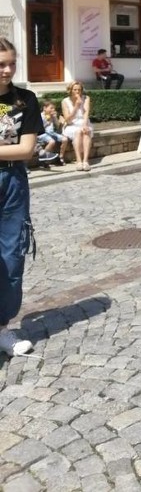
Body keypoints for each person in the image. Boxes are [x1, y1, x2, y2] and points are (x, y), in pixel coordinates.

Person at [0, 37, 40, 357]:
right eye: (1, 64)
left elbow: (27, 150)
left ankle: (3, 328)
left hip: (13, 182)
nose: (8, 69)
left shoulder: (25, 100)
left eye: (12, 63)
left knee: (12, 258)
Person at [61, 80, 93, 171]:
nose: (77, 92)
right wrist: (76, 106)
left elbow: (86, 113)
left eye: (79, 90)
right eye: (75, 90)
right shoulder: (65, 101)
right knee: (78, 132)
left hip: (84, 122)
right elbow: (67, 120)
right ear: (70, 90)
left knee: (86, 132)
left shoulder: (86, 98)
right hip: (71, 125)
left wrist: (85, 124)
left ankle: (85, 161)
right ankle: (79, 161)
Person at [36, 99, 68, 165]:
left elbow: (57, 126)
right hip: (42, 134)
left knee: (65, 139)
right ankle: (43, 156)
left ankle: (61, 157)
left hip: (51, 133)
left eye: (54, 108)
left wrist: (55, 118)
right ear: (45, 108)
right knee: (52, 142)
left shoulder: (52, 116)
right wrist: (47, 121)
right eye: (51, 108)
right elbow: (40, 128)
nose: (53, 110)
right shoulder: (40, 116)